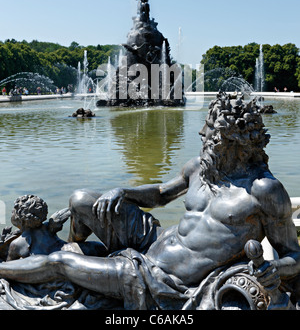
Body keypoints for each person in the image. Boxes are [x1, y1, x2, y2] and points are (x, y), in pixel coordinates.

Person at [0, 93, 299, 310]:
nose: (201, 133)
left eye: (210, 132)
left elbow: (293, 256)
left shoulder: (265, 191)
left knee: (59, 263)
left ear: (232, 141)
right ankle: (76, 248)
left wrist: (276, 270)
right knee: (80, 201)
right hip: (152, 239)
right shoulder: (200, 167)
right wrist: (125, 191)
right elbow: (160, 195)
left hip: (158, 278)